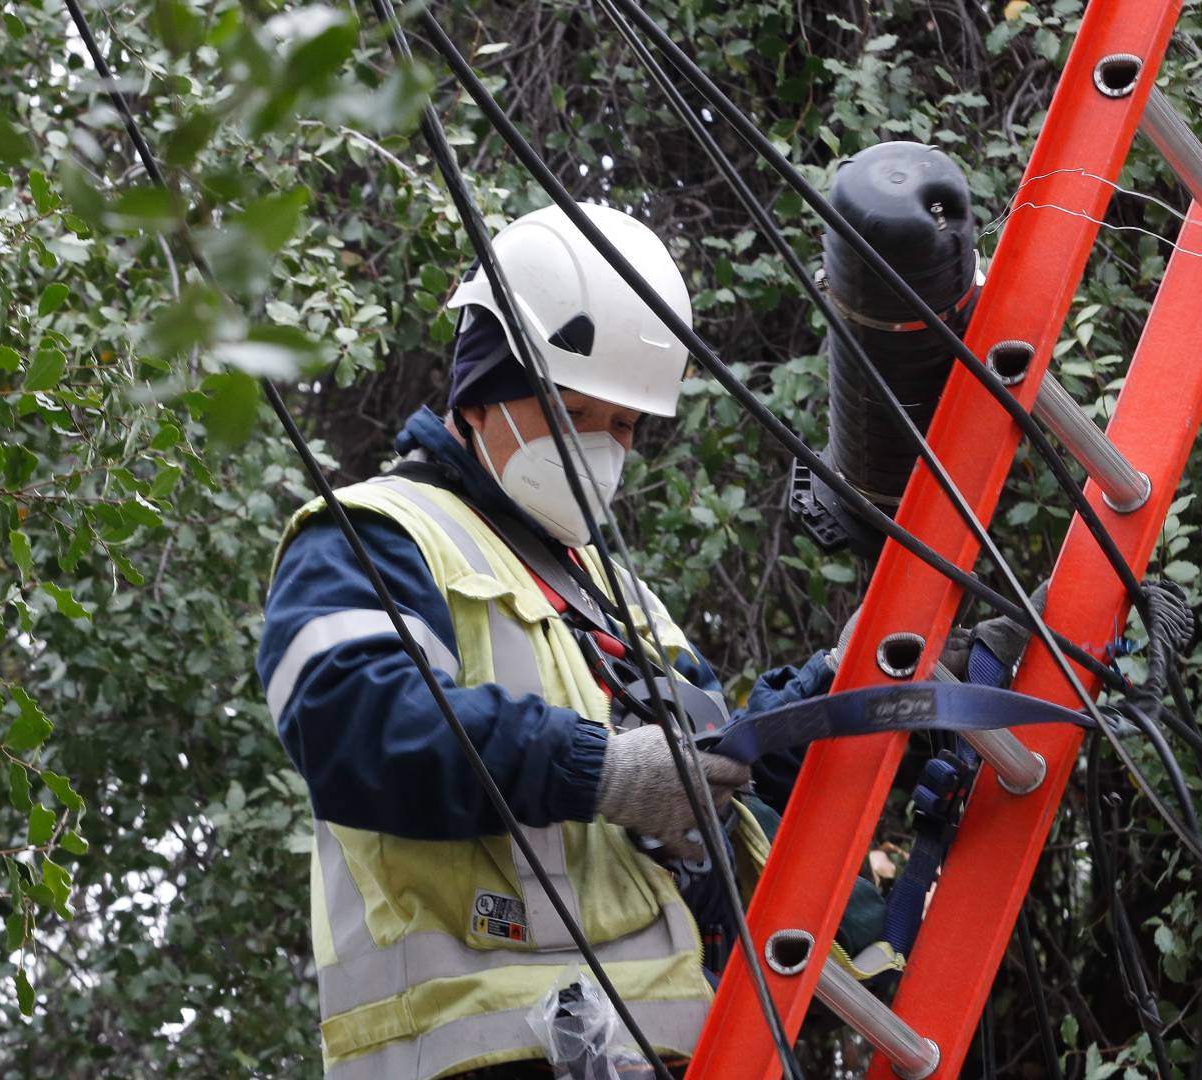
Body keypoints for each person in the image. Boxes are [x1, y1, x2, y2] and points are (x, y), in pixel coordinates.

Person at [257, 203, 1035, 1078]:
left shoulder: (614, 596)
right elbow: (356, 726)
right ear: (486, 390)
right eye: (580, 411)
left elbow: (719, 772)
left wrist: (856, 679)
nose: (605, 446)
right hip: (472, 1057)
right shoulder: (374, 535)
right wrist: (604, 770)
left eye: (625, 425)